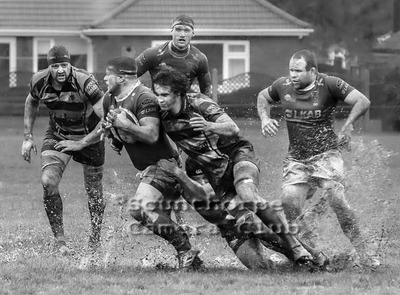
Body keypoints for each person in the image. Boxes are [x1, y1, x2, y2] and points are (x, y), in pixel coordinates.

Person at [151, 67, 321, 268]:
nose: (159, 99)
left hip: (238, 155)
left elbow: (233, 129)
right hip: (218, 175)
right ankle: (309, 257)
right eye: (157, 94)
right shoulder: (162, 116)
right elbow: (146, 131)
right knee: (248, 223)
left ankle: (296, 247)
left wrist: (209, 126)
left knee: (247, 194)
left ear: (178, 93)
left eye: (164, 95)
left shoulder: (198, 102)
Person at [257, 49, 379, 269]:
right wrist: (265, 118)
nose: (292, 75)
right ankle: (312, 253)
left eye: (298, 71)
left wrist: (348, 124)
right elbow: (263, 97)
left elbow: (362, 101)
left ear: (312, 71)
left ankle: (365, 253)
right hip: (296, 160)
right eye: (290, 70)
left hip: (326, 155)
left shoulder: (330, 84)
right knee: (289, 205)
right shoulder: (282, 86)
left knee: (337, 200)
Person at [100, 56, 202, 270]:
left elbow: (151, 134)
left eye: (108, 74)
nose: (104, 78)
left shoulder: (144, 97)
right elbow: (111, 127)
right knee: (160, 216)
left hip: (165, 165)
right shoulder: (109, 99)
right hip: (150, 169)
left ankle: (186, 250)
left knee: (140, 210)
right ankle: (192, 259)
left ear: (120, 77)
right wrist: (114, 137)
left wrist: (125, 126)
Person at [21, 45, 106, 256]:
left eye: (64, 65)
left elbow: (107, 119)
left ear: (70, 65)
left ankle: (95, 238)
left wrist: (82, 143)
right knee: (48, 181)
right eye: (55, 65)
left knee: (94, 192)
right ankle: (60, 242)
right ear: (49, 67)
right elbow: (31, 101)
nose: (60, 70)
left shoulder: (86, 82)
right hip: (58, 134)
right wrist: (27, 137)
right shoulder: (39, 81)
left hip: (90, 138)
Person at [136, 14, 212, 97]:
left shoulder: (199, 59)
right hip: (157, 102)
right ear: (171, 31)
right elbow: (127, 75)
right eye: (178, 30)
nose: (182, 34)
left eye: (186, 30)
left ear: (193, 33)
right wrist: (142, 95)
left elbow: (206, 93)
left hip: (182, 105)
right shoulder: (153, 54)